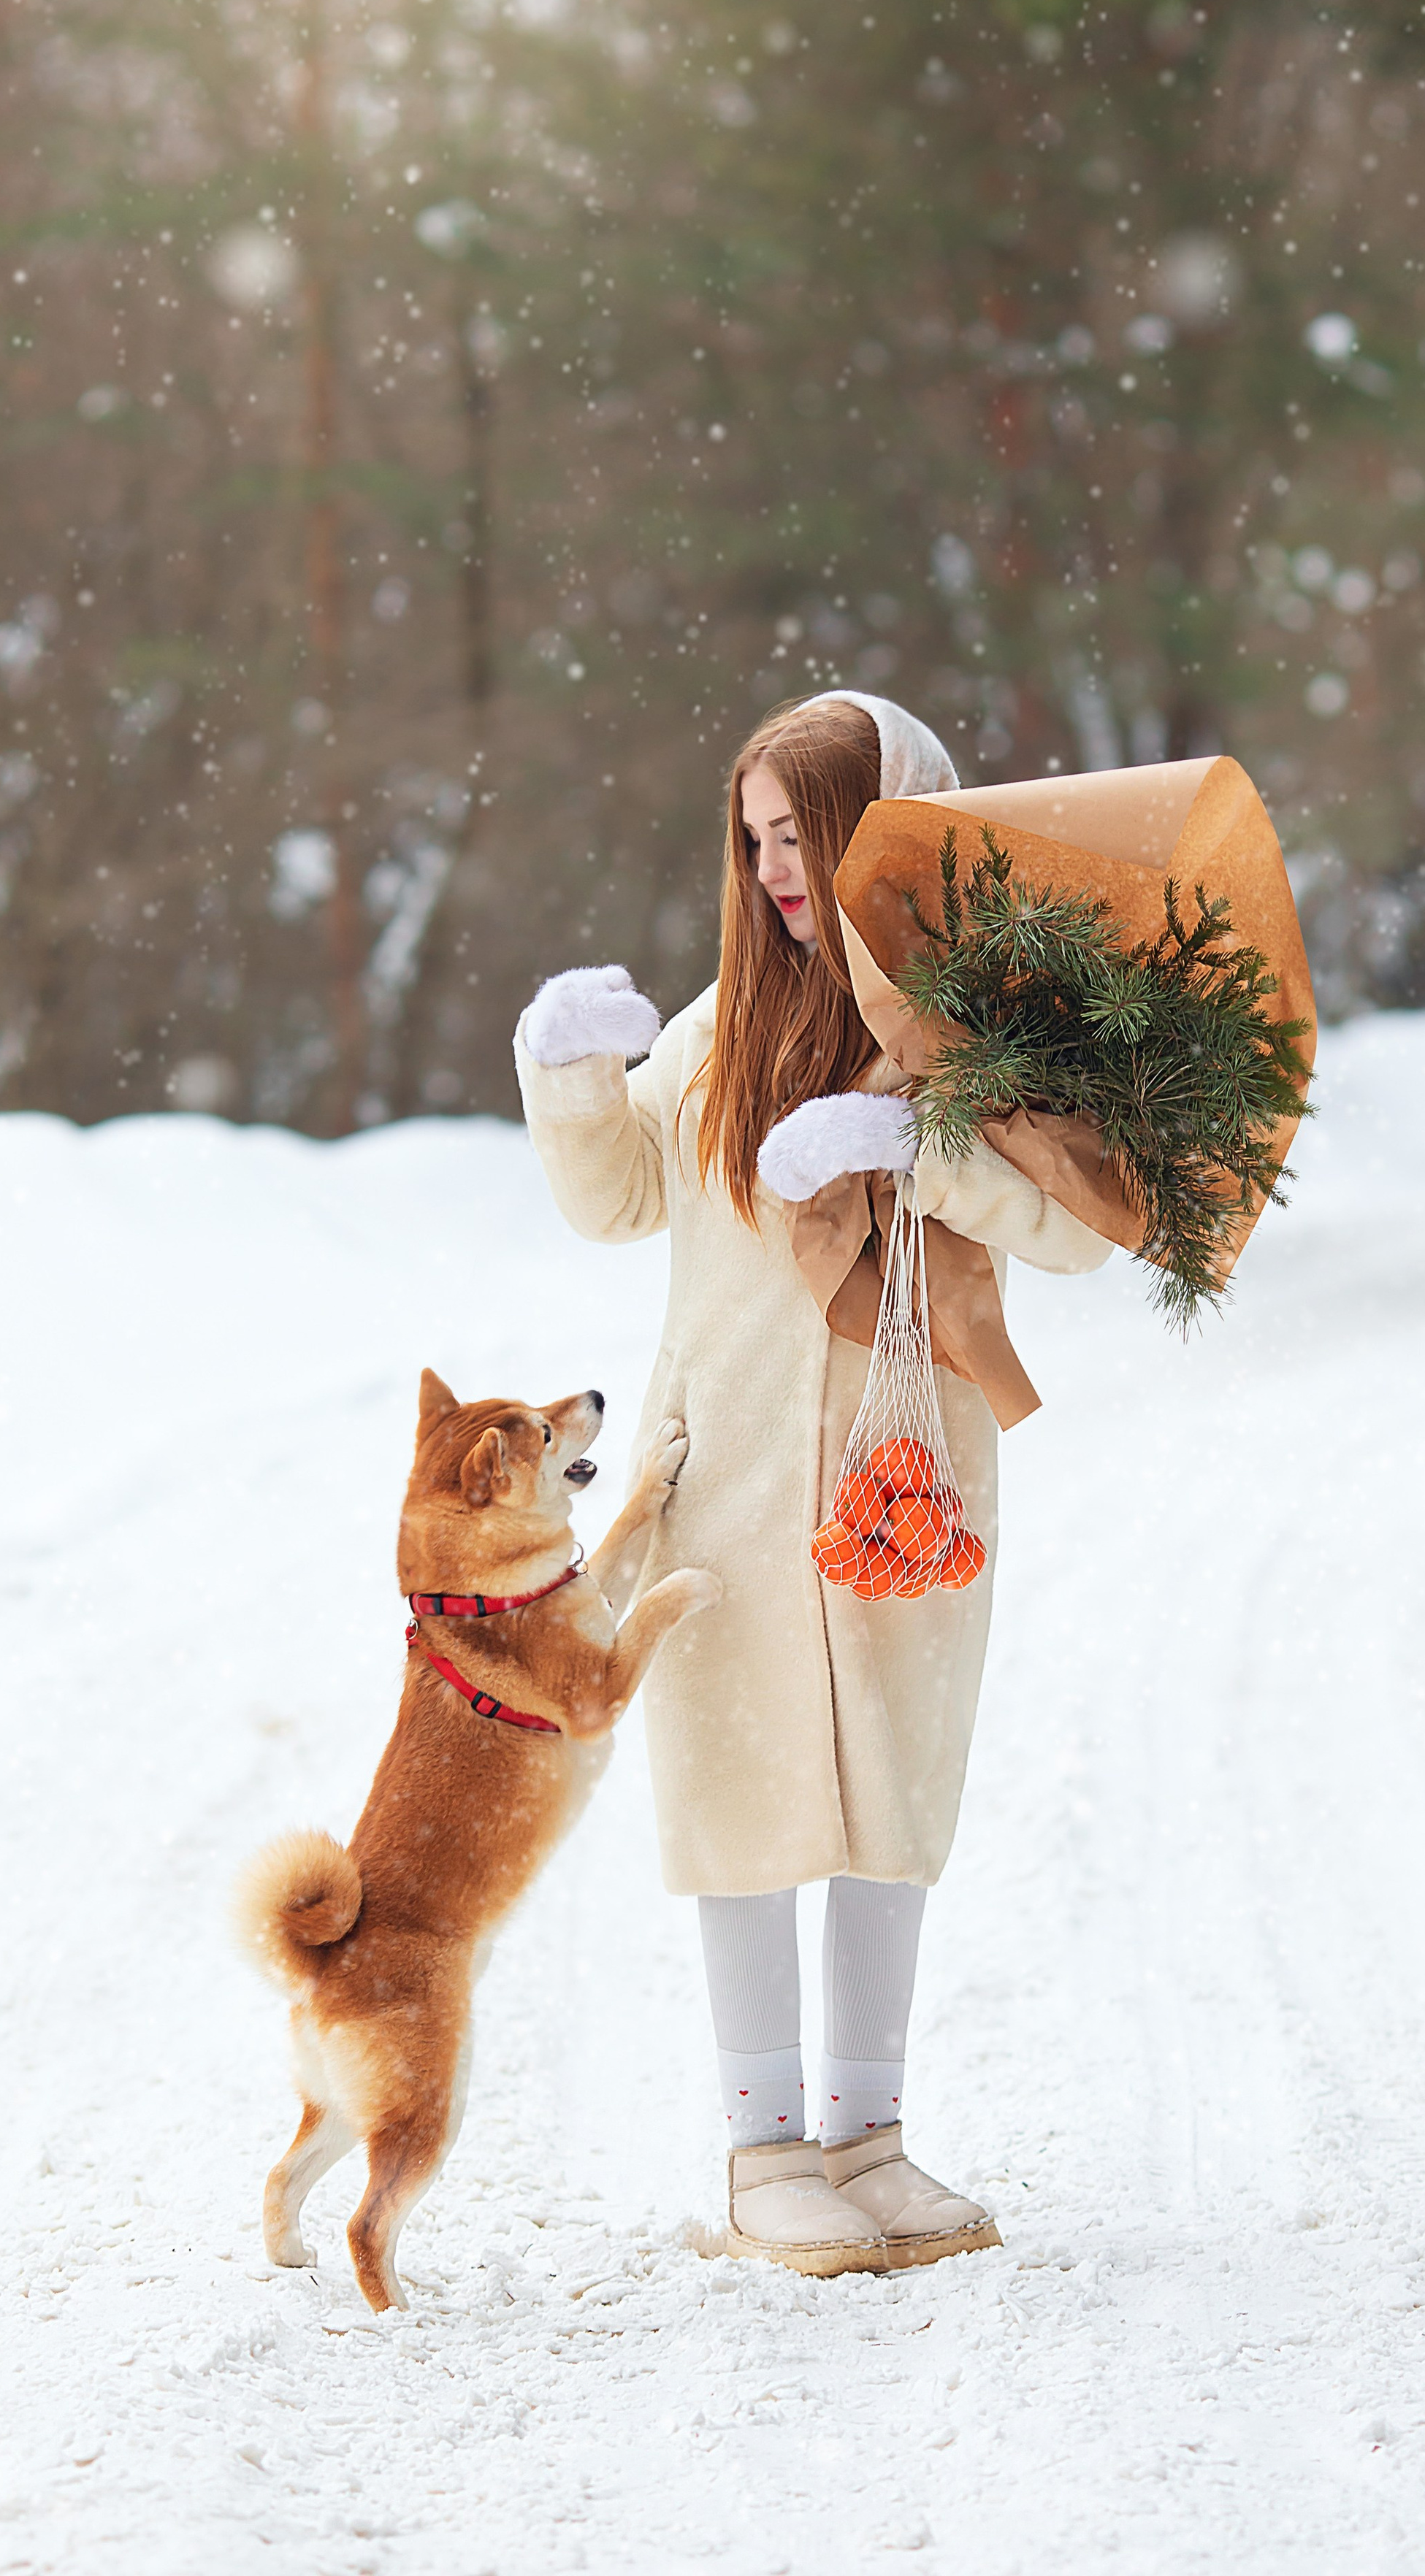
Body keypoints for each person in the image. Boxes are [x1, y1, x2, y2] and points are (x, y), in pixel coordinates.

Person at [513, 691, 1112, 2274]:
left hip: (903, 1465)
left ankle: (869, 2138)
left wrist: (913, 1144)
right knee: (736, 1789)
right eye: (757, 838)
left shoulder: (970, 1030)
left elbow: (1069, 1220)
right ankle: (762, 2146)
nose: (778, 870)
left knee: (889, 1793)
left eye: (805, 834)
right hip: (721, 1467)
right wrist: (571, 1078)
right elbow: (624, 1195)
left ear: (878, 830)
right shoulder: (720, 1030)